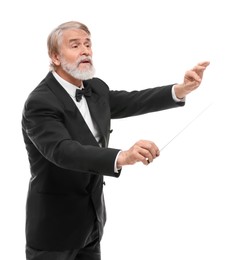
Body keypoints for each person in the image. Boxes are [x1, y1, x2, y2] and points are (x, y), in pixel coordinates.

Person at [21, 20, 210, 260]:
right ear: (55, 56)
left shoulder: (95, 89)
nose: (85, 50)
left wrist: (180, 90)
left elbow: (134, 101)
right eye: (75, 45)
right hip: (54, 229)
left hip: (92, 222)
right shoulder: (40, 102)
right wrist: (122, 156)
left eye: (88, 44)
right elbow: (62, 151)